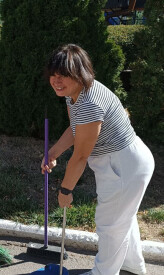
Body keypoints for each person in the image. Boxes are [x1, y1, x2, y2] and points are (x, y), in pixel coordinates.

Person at [42, 44, 154, 275]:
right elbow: (76, 130)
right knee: (122, 219)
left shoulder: (88, 103)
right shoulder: (77, 93)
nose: (56, 81)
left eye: (62, 75)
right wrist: (53, 152)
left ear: (78, 73)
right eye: (53, 75)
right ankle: (132, 267)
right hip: (125, 161)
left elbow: (81, 156)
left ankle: (103, 273)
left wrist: (65, 190)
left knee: (110, 225)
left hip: (123, 166)